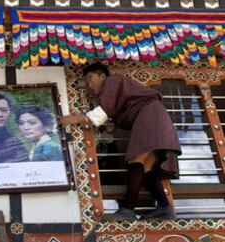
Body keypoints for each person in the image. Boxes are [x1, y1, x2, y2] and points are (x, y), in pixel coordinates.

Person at [59, 62, 181, 221]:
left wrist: (74, 118)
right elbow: (111, 116)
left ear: (102, 76)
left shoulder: (112, 81)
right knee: (146, 169)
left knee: (135, 161)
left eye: (90, 78)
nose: (89, 84)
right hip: (154, 118)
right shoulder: (117, 92)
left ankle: (127, 210)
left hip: (149, 115)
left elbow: (104, 111)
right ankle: (165, 208)